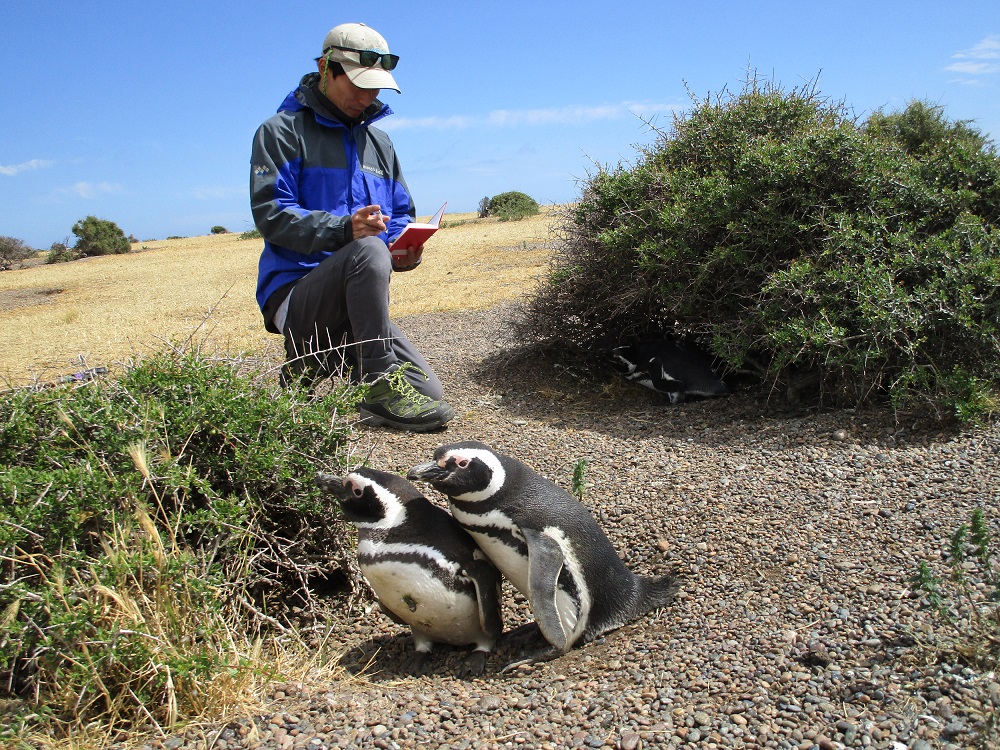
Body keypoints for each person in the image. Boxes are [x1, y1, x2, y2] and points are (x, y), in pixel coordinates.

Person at [250, 22, 454, 433]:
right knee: (367, 249)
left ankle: (313, 367)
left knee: (431, 401)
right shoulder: (280, 132)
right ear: (327, 68)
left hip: (357, 306)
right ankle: (376, 382)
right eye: (358, 85)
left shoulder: (380, 144)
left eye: (375, 88)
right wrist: (346, 231)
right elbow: (270, 214)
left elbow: (398, 213)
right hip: (297, 294)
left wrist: (404, 248)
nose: (367, 98)